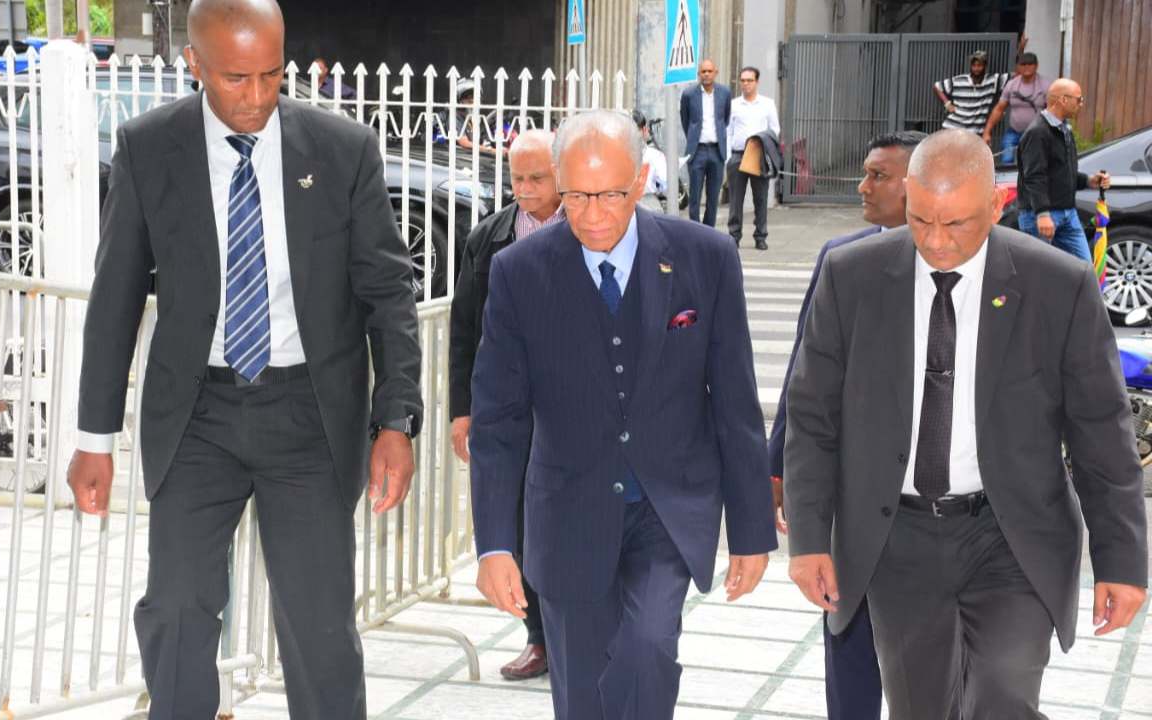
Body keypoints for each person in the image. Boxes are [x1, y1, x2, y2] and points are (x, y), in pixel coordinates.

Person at [66, 0, 424, 717]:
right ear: (194, 64)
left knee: (319, 629)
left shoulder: (343, 149)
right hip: (197, 414)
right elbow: (115, 298)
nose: (257, 97)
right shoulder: (148, 148)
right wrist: (93, 438)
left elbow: (387, 293)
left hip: (310, 415)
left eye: (271, 74)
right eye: (235, 78)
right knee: (176, 609)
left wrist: (396, 421)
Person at [784, 129, 1147, 719]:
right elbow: (811, 415)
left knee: (1003, 694)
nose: (936, 241)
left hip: (1011, 534)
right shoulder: (851, 277)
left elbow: (1101, 434)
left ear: (997, 204)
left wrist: (1122, 562)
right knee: (921, 708)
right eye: (921, 219)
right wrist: (807, 540)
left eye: (956, 223)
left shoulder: (1058, 286)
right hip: (897, 538)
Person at [469, 110, 775, 720]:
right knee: (582, 692)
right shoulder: (519, 271)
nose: (592, 214)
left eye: (609, 194)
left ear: (640, 180)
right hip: (567, 512)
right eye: (576, 196)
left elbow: (735, 404)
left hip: (669, 509)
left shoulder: (706, 257)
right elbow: (498, 420)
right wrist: (495, 544)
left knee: (647, 648)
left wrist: (751, 531)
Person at [768, 129, 925, 720]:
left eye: (878, 176)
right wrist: (778, 467)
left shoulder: (980, 266)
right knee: (849, 638)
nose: (862, 186)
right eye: (864, 172)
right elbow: (804, 376)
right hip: (856, 498)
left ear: (918, 185)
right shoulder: (842, 260)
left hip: (938, 503)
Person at [449, 129, 562, 682]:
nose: (526, 188)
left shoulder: (590, 229)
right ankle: (538, 636)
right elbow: (463, 329)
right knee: (517, 523)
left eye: (538, 177)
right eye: (517, 178)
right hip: (510, 409)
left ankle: (579, 633)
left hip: (571, 406)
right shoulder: (488, 238)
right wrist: (461, 410)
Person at [1015, 78, 1111, 262]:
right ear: (1063, 100)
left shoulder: (1064, 129)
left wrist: (1090, 181)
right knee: (1039, 273)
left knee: (1084, 270)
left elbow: (1062, 172)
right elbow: (1034, 176)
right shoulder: (1037, 132)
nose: (1081, 104)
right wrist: (1042, 214)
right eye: (1079, 99)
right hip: (1041, 216)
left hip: (1068, 214)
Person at [723, 66, 780, 251]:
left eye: (750, 80)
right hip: (738, 155)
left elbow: (775, 129)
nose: (746, 84)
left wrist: (761, 141)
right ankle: (734, 236)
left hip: (758, 155)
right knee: (735, 199)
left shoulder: (767, 104)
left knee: (760, 198)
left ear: (757, 82)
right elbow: (727, 131)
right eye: (743, 80)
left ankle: (760, 236)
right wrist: (729, 157)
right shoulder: (734, 104)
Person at [679, 59, 730, 227]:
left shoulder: (724, 93)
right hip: (697, 151)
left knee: (713, 196)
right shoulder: (689, 94)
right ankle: (695, 232)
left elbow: (725, 119)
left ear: (716, 72)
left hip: (717, 151)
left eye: (709, 71)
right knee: (695, 196)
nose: (706, 74)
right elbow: (686, 121)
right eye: (703, 71)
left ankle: (709, 231)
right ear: (698, 74)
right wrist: (693, 138)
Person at [981, 53, 1050, 165]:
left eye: (1030, 64)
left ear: (1036, 66)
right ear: (1018, 67)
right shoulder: (1011, 85)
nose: (1026, 67)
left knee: (1033, 164)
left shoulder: (1046, 85)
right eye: (1023, 64)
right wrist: (987, 132)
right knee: (1006, 161)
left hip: (1037, 133)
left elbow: (1053, 111)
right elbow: (999, 109)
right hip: (1014, 131)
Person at [933, 50, 1008, 133]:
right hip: (953, 127)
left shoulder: (992, 80)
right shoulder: (959, 80)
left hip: (974, 132)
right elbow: (937, 86)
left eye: (979, 65)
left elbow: (1014, 75)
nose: (976, 69)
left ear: (985, 66)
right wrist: (947, 104)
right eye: (974, 65)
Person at [632, 110, 668, 211]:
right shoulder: (655, 156)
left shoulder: (615, 154)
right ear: (644, 130)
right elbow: (664, 187)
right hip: (647, 204)